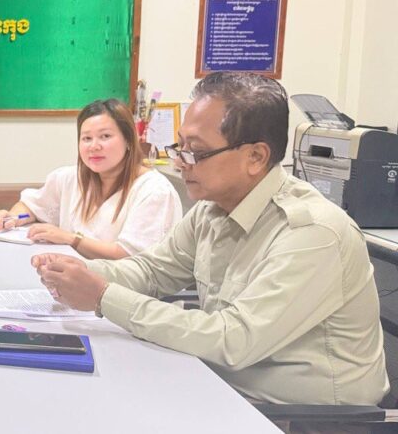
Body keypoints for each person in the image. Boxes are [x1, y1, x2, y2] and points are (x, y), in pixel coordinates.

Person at [32, 72, 388, 406]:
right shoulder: (212, 208)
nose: (180, 163)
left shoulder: (312, 233)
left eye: (197, 152)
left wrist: (102, 296)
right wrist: (77, 272)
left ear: (255, 157)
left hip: (301, 416)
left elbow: (233, 340)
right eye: (180, 146)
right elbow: (153, 271)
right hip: (224, 384)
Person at [0, 99, 181, 259]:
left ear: (129, 140)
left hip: (123, 290)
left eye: (105, 136)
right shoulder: (68, 178)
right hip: (72, 282)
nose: (94, 146)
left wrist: (71, 239)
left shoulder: (154, 191)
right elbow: (31, 208)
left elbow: (130, 256)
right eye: (86, 138)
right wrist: (14, 217)